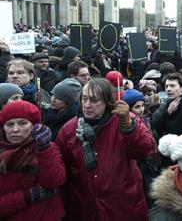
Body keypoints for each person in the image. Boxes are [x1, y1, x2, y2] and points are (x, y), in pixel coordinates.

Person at [55, 78, 156, 220]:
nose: (87, 105)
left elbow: (145, 150)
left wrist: (128, 126)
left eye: (94, 100)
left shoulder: (123, 119)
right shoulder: (69, 130)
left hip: (123, 207)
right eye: (84, 99)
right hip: (84, 210)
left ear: (107, 101)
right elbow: (61, 172)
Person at [0, 101, 65, 220]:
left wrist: (45, 149)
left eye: (22, 123)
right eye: (9, 124)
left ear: (34, 125)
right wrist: (26, 197)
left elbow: (54, 181)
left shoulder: (45, 148)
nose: (15, 129)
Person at [152, 73, 182, 140]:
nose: (168, 89)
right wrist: (168, 112)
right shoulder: (168, 103)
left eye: (172, 86)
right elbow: (159, 128)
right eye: (166, 86)